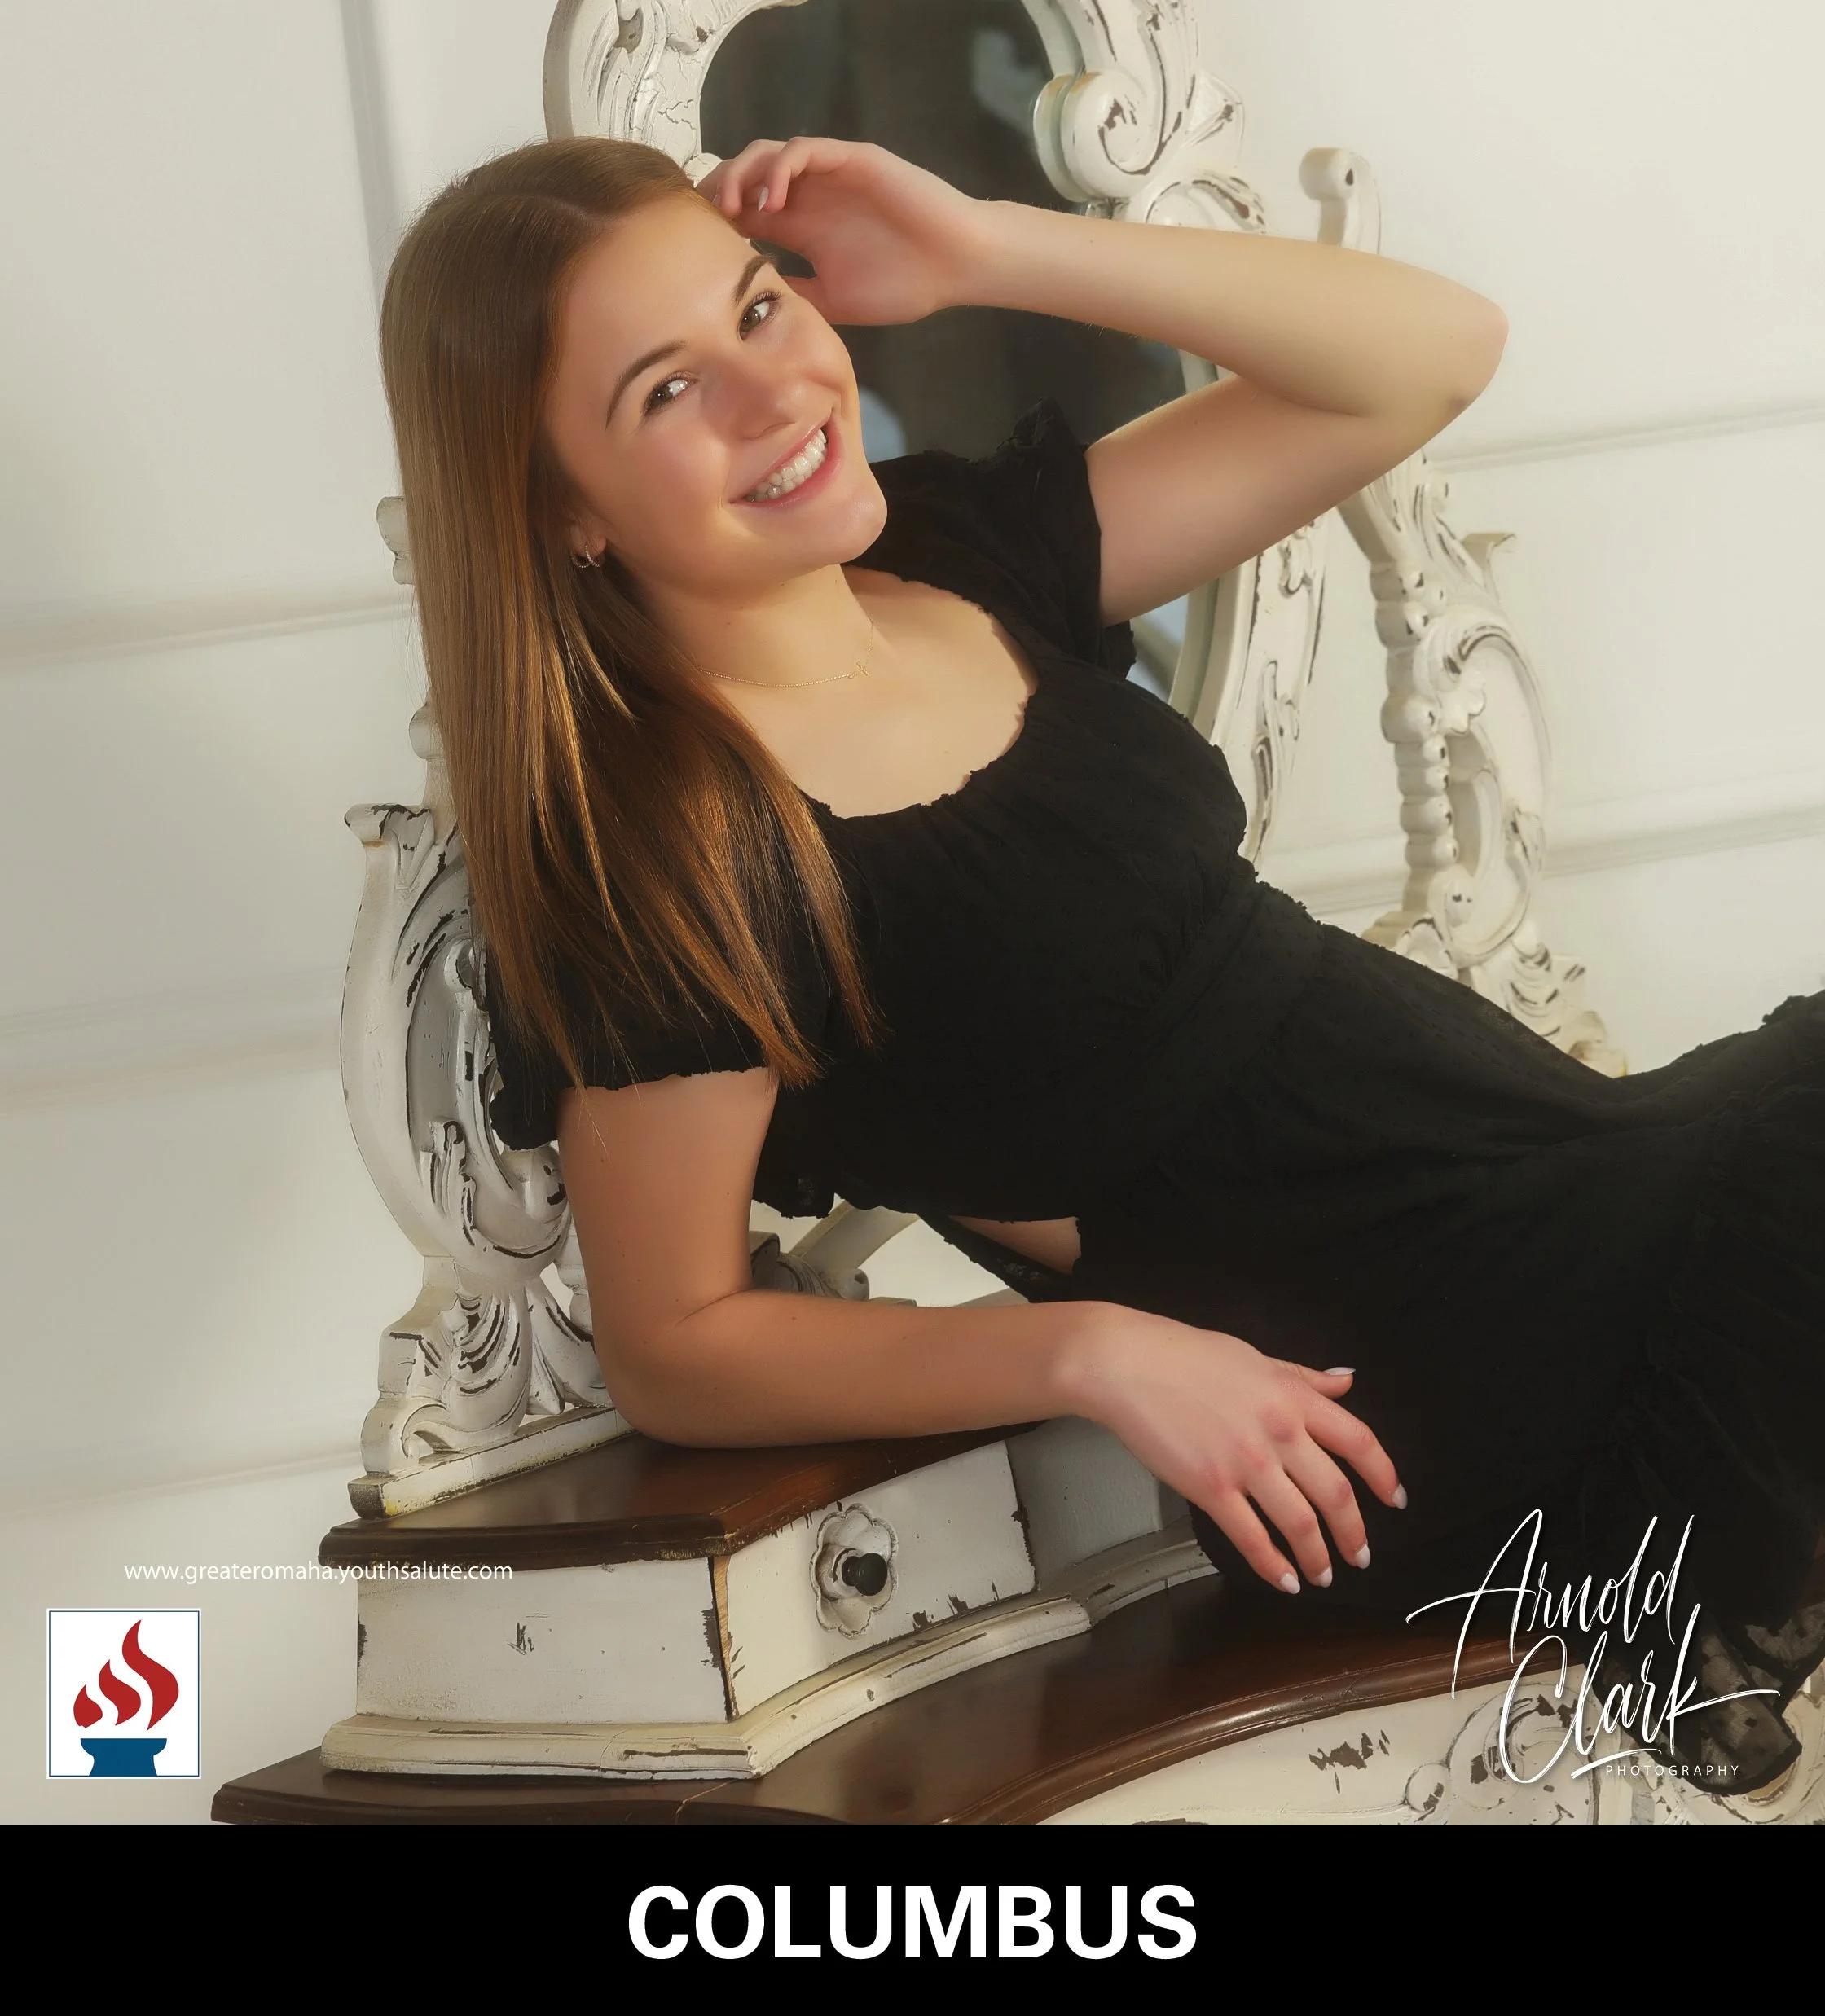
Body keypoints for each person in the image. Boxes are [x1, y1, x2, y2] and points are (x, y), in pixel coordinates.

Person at [377, 133, 1825, 1799]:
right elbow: (677, 1337)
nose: (775, 392)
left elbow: (1428, 355)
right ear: (558, 509)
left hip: (1575, 1184)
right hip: (1422, 1379)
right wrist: (1092, 1352)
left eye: (761, 308)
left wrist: (986, 249)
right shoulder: (671, 854)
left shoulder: (958, 557)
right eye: (667, 388)